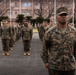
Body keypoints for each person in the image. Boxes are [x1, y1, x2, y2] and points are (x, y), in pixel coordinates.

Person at [41, 7, 76, 75]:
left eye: (65, 15)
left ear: (68, 17)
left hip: (70, 66)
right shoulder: (50, 32)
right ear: (56, 17)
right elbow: (44, 48)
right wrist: (46, 62)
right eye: (61, 15)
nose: (63, 17)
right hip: (55, 67)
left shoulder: (74, 32)